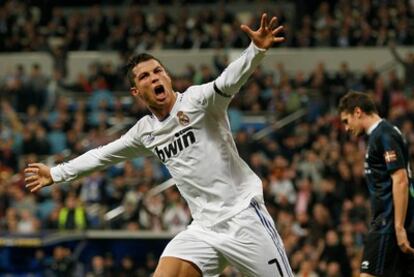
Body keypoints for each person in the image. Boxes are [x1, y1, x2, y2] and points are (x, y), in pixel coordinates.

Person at [24, 13, 293, 277]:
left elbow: (229, 80)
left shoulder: (198, 101)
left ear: (168, 76)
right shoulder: (145, 132)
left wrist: (256, 50)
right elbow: (102, 155)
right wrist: (56, 173)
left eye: (158, 71)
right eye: (144, 77)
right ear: (136, 92)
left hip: (243, 218)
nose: (154, 78)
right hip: (204, 229)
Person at [338, 91, 414, 277]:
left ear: (358, 112)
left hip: (387, 223)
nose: (346, 128)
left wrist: (398, 227)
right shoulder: (380, 135)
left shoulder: (383, 134)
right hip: (389, 220)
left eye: (346, 121)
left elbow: (400, 179)